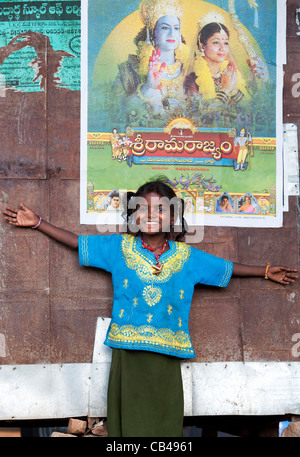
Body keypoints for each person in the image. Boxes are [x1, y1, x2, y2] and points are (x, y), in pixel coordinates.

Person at [3, 178, 297, 437]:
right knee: (128, 425)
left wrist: (265, 270)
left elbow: (228, 268)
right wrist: (39, 222)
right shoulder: (118, 248)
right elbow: (77, 242)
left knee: (164, 424)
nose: (151, 215)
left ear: (172, 218)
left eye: (160, 209)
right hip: (128, 355)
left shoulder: (187, 256)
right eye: (143, 208)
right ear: (133, 216)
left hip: (167, 354)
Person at [119, 0, 189, 117]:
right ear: (152, 34)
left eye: (176, 28)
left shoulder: (190, 68)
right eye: (165, 28)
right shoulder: (130, 69)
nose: (172, 33)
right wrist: (148, 87)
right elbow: (119, 110)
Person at [184, 17, 250, 104]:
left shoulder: (231, 74)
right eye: (216, 42)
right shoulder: (191, 80)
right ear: (202, 46)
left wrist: (233, 90)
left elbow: (248, 110)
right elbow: (200, 116)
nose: (222, 48)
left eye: (225, 43)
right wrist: (225, 89)